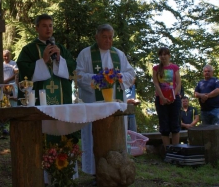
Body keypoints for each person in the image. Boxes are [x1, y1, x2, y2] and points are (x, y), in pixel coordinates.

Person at [76, 24, 135, 175]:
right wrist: (98, 78)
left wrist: (118, 77)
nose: (108, 40)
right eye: (104, 37)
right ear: (96, 37)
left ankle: (117, 170)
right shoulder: (86, 54)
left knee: (115, 138)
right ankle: (95, 171)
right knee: (93, 137)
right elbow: (78, 75)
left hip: (115, 105)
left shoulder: (119, 55)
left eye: (110, 37)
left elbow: (131, 74)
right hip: (93, 106)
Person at [17, 14, 76, 105]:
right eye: (44, 26)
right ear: (37, 28)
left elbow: (72, 65)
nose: (48, 29)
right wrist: (43, 61)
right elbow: (24, 68)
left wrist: (60, 59)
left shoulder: (60, 48)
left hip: (61, 101)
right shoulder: (29, 49)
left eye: (50, 26)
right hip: (38, 102)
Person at [152, 47, 182, 149]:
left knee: (175, 125)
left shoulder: (174, 67)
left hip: (174, 99)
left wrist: (174, 95)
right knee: (164, 125)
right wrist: (162, 97)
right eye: (161, 55)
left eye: (165, 54)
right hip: (161, 100)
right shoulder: (156, 68)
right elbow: (156, 84)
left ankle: (176, 150)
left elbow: (178, 83)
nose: (163, 57)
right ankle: (167, 151)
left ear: (169, 55)